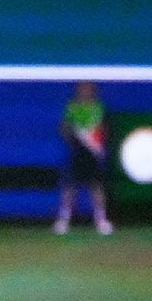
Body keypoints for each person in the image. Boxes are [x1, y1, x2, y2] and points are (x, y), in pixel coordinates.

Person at [54, 80, 113, 236]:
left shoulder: (99, 107)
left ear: (93, 90)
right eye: (82, 88)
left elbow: (104, 128)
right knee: (70, 187)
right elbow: (64, 127)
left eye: (88, 88)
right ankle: (63, 220)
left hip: (94, 153)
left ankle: (101, 220)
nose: (85, 90)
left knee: (96, 187)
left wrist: (96, 143)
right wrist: (74, 138)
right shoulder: (72, 107)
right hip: (77, 152)